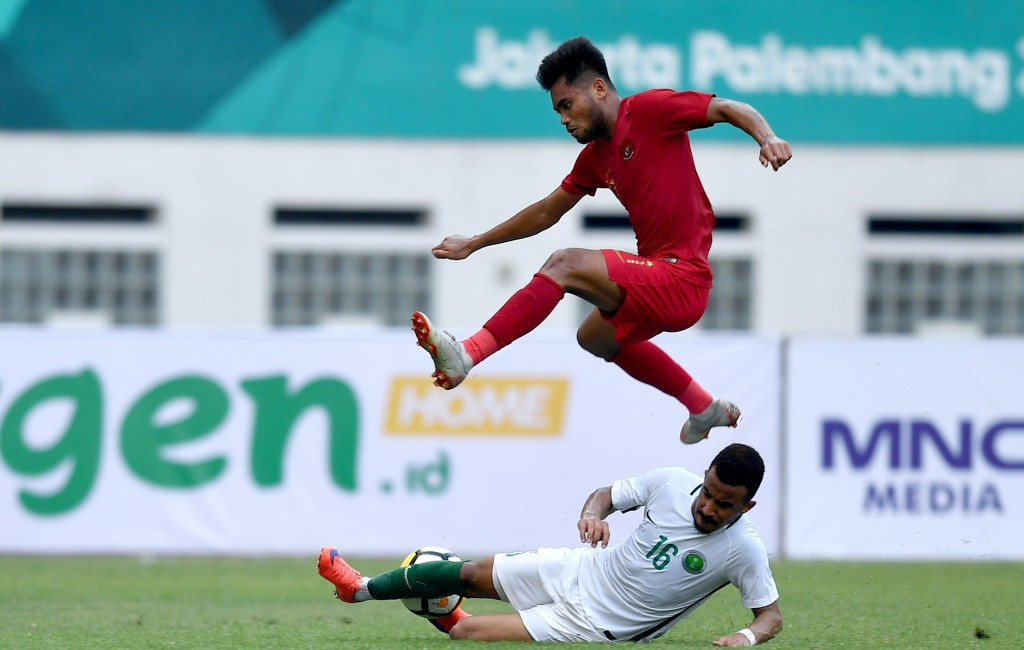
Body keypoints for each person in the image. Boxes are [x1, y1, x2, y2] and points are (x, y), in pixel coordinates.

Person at [411, 36, 792, 445]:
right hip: (661, 279)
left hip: (684, 278)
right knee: (593, 338)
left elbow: (729, 108)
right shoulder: (595, 157)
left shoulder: (649, 109)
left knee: (565, 264)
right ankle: (702, 406)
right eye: (557, 110)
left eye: (566, 105)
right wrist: (476, 242)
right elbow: (545, 212)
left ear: (598, 88)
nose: (562, 119)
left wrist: (766, 137)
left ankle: (468, 353)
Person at [318, 442, 783, 645]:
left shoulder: (744, 550)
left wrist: (745, 637)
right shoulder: (672, 482)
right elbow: (605, 495)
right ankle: (358, 588)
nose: (708, 508)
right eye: (708, 494)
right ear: (702, 477)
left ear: (747, 507)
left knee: (465, 633)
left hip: (600, 624)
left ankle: (443, 612)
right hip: (582, 568)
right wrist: (591, 516)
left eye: (725, 505)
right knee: (468, 573)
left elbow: (770, 617)